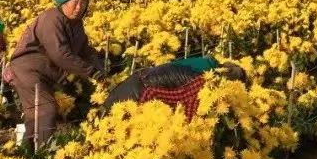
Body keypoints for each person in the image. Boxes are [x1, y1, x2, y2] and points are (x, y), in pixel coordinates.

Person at [6, 0, 103, 147]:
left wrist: (100, 67)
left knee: (35, 116)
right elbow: (60, 54)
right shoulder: (51, 18)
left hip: (45, 73)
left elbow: (85, 49)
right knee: (46, 110)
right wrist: (91, 72)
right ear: (64, 2)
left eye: (83, 4)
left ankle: (27, 153)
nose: (79, 7)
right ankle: (44, 153)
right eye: (76, 3)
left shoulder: (76, 24)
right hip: (29, 70)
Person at [103, 56, 246, 117]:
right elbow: (188, 115)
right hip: (134, 99)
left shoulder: (205, 63)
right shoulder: (201, 83)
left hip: (133, 82)